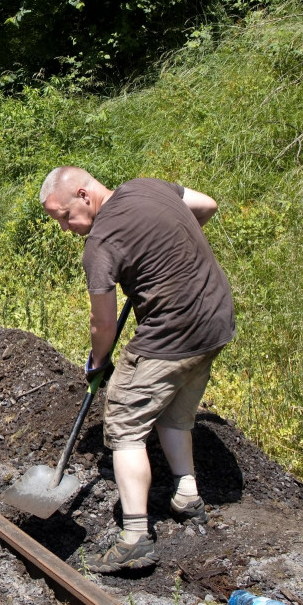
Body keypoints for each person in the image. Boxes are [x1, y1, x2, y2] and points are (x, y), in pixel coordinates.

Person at [39, 166, 235, 573]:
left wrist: (98, 360)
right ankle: (186, 494)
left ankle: (134, 539)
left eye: (63, 216)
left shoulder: (100, 244)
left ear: (83, 194)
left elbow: (103, 325)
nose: (64, 228)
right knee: (173, 409)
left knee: (126, 418)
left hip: (173, 334)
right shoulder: (148, 187)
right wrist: (163, 246)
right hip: (216, 322)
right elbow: (207, 205)